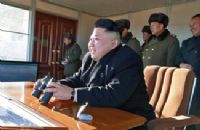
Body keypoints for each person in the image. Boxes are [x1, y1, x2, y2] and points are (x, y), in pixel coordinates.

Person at [43, 18, 155, 130]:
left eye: (96, 39)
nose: (90, 44)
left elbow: (114, 94)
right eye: (90, 39)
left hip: (132, 121)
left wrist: (73, 93)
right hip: (100, 115)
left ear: (114, 43)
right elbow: (78, 79)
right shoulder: (89, 57)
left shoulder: (128, 58)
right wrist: (56, 85)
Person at [176, 14, 200, 130]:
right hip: (187, 84)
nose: (191, 27)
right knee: (186, 112)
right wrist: (182, 64)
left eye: (194, 24)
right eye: (190, 25)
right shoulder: (187, 43)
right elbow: (178, 57)